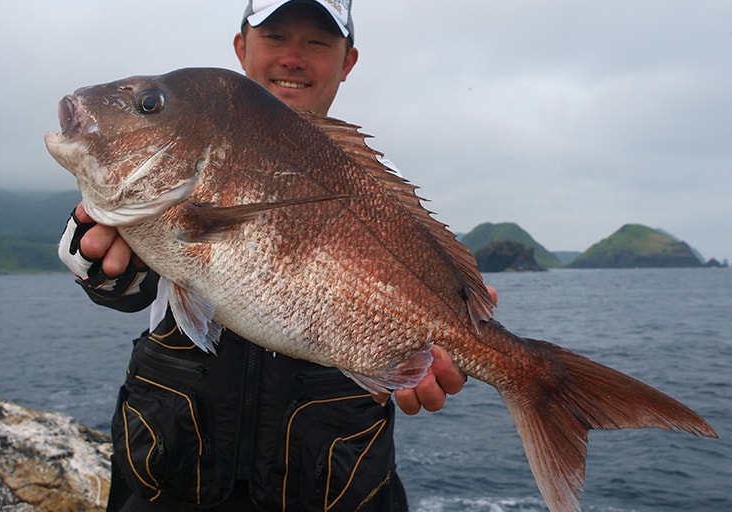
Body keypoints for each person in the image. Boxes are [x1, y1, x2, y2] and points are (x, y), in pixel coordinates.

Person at [58, 1, 492, 510]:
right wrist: (101, 262)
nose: (293, 58)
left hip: (328, 479)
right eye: (276, 36)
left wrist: (463, 340)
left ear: (347, 61)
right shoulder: (181, 152)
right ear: (241, 47)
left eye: (317, 42)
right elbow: (119, 278)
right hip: (175, 472)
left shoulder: (377, 185)